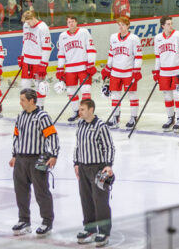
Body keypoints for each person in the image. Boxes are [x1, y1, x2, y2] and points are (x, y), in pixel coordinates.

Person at [10, 88, 59, 237]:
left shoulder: (42, 116)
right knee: (21, 191)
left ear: (32, 101)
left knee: (41, 192)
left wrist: (54, 154)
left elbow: (52, 136)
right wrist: (14, 155)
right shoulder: (21, 116)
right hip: (20, 159)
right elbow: (16, 136)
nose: (20, 103)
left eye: (23, 100)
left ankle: (47, 221)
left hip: (37, 159)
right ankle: (24, 220)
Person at [73, 98, 115, 246]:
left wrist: (108, 165)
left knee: (100, 201)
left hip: (98, 168)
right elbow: (78, 145)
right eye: (80, 109)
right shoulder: (80, 124)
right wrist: (76, 163)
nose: (80, 111)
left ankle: (104, 231)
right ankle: (90, 228)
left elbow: (109, 147)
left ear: (91, 110)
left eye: (82, 109)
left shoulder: (100, 126)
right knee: (86, 199)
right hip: (83, 168)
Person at [100, 17, 142, 129]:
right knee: (115, 95)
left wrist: (136, 70)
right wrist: (108, 68)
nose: (120, 27)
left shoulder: (134, 38)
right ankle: (115, 118)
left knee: (132, 95)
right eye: (119, 25)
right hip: (115, 72)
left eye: (123, 25)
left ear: (128, 26)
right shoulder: (113, 37)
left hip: (128, 72)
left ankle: (133, 117)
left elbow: (138, 56)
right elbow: (111, 54)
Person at [55, 15, 98, 122]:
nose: (71, 24)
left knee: (85, 90)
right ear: (67, 24)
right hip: (70, 68)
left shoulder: (84, 32)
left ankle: (87, 113)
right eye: (69, 22)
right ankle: (76, 112)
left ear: (76, 22)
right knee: (71, 91)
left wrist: (91, 63)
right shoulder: (63, 36)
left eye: (73, 21)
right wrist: (60, 68)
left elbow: (91, 49)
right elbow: (61, 53)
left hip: (83, 67)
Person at [153, 16, 179, 133]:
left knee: (178, 96)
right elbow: (158, 56)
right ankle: (170, 118)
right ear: (163, 26)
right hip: (164, 72)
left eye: (171, 23)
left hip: (177, 71)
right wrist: (156, 71)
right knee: (167, 97)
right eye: (168, 24)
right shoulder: (158, 38)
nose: (171, 26)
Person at [19, 10, 52, 107]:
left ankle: (40, 107)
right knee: (24, 84)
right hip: (27, 60)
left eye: (28, 22)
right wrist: (22, 56)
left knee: (40, 86)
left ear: (33, 18)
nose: (27, 24)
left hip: (38, 61)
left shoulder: (43, 28)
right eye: (26, 22)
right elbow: (25, 42)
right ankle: (28, 107)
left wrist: (43, 64)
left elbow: (47, 48)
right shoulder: (26, 25)